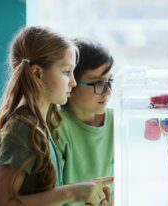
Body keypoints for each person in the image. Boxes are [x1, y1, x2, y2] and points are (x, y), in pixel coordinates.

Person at [0, 26, 112, 206]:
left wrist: (83, 190)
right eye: (66, 72)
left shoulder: (40, 124)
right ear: (37, 73)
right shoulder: (22, 128)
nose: (73, 82)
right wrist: (71, 194)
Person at [57, 38, 114, 206]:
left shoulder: (115, 122)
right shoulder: (56, 125)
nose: (107, 91)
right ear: (72, 83)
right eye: (98, 83)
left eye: (109, 81)